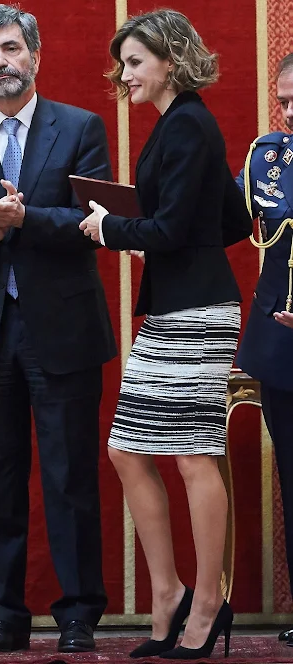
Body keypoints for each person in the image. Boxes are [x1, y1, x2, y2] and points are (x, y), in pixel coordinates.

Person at [0, 3, 117, 654]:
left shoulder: (82, 126)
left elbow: (96, 224)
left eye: (10, 49)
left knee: (69, 478)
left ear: (36, 55)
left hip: (62, 330)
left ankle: (79, 613)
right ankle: (5, 615)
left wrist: (26, 218)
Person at [79, 9, 252, 660]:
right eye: (124, 63)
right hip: (188, 305)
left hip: (195, 311)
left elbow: (175, 231)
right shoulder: (185, 126)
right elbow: (228, 221)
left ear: (170, 61)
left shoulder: (187, 126)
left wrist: (110, 227)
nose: (124, 75)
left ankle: (204, 602)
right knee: (130, 449)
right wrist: (148, 218)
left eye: (135, 63)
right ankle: (171, 594)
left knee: (192, 454)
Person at [236, 52, 293, 644]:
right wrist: (150, 228)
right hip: (281, 343)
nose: (291, 111)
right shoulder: (268, 156)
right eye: (284, 100)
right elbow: (225, 216)